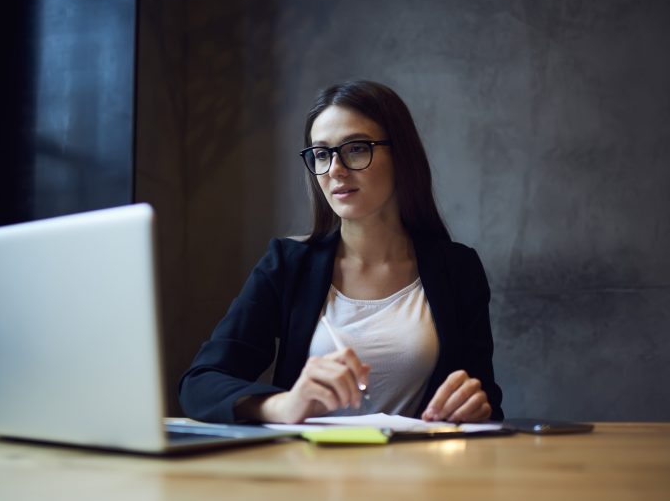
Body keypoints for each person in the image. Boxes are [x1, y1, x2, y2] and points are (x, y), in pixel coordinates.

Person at [179, 80, 503, 424]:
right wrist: (283, 406)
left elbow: (485, 402)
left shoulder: (457, 270)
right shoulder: (287, 265)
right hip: (305, 458)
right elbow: (199, 384)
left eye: (356, 148)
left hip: (415, 459)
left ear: (401, 155)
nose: (335, 169)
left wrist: (474, 407)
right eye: (321, 154)